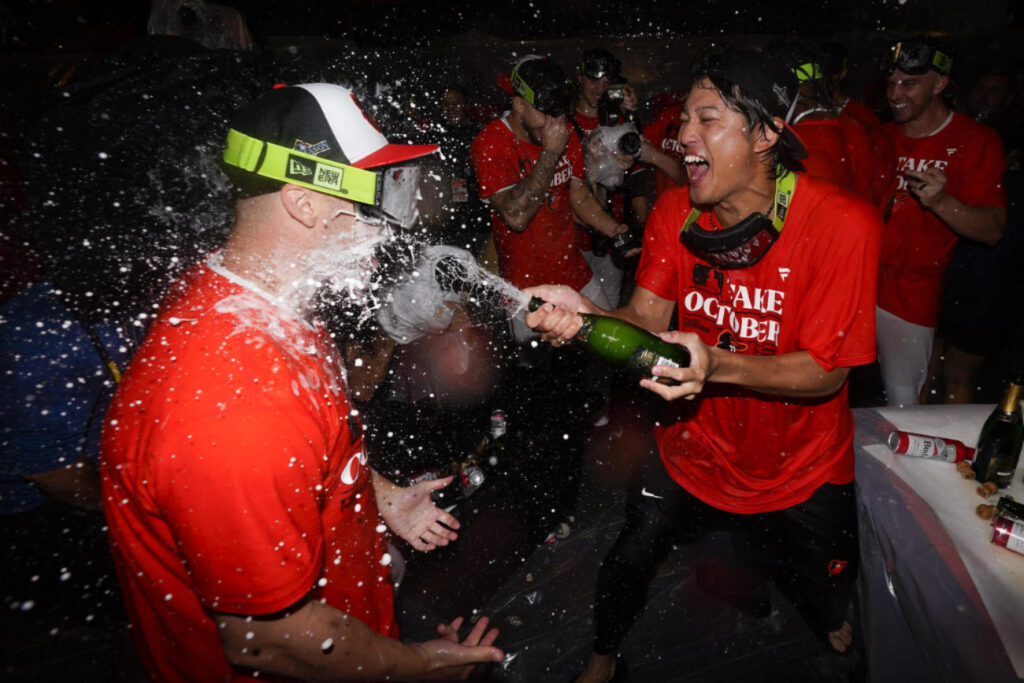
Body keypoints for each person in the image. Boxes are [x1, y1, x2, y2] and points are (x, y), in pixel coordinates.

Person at [100, 83, 504, 681]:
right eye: (377, 195)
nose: (390, 222)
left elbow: (306, 451)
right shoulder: (234, 406)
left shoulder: (270, 301)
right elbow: (270, 642)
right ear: (305, 202)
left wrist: (380, 495)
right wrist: (418, 667)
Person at [526, 47, 881, 682]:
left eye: (708, 119)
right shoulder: (673, 210)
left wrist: (715, 363)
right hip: (695, 446)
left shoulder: (842, 224)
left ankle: (828, 616)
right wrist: (581, 315)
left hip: (801, 465)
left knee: (828, 581)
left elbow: (827, 371)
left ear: (768, 133)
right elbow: (644, 319)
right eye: (684, 119)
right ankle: (603, 660)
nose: (683, 136)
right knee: (631, 552)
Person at [877, 38, 1007, 407]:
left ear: (939, 84)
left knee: (904, 403)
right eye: (891, 84)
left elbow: (993, 229)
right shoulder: (880, 136)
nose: (895, 94)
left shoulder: (975, 140)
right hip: (861, 283)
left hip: (912, 294)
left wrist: (941, 202)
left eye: (909, 84)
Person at [470, 55, 628, 334]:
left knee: (608, 340)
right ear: (519, 104)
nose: (554, 122)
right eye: (545, 113)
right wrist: (551, 152)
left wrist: (616, 230)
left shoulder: (562, 131)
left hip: (574, 275)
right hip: (526, 290)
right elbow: (515, 216)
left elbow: (578, 198)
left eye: (559, 112)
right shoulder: (491, 143)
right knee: (537, 370)